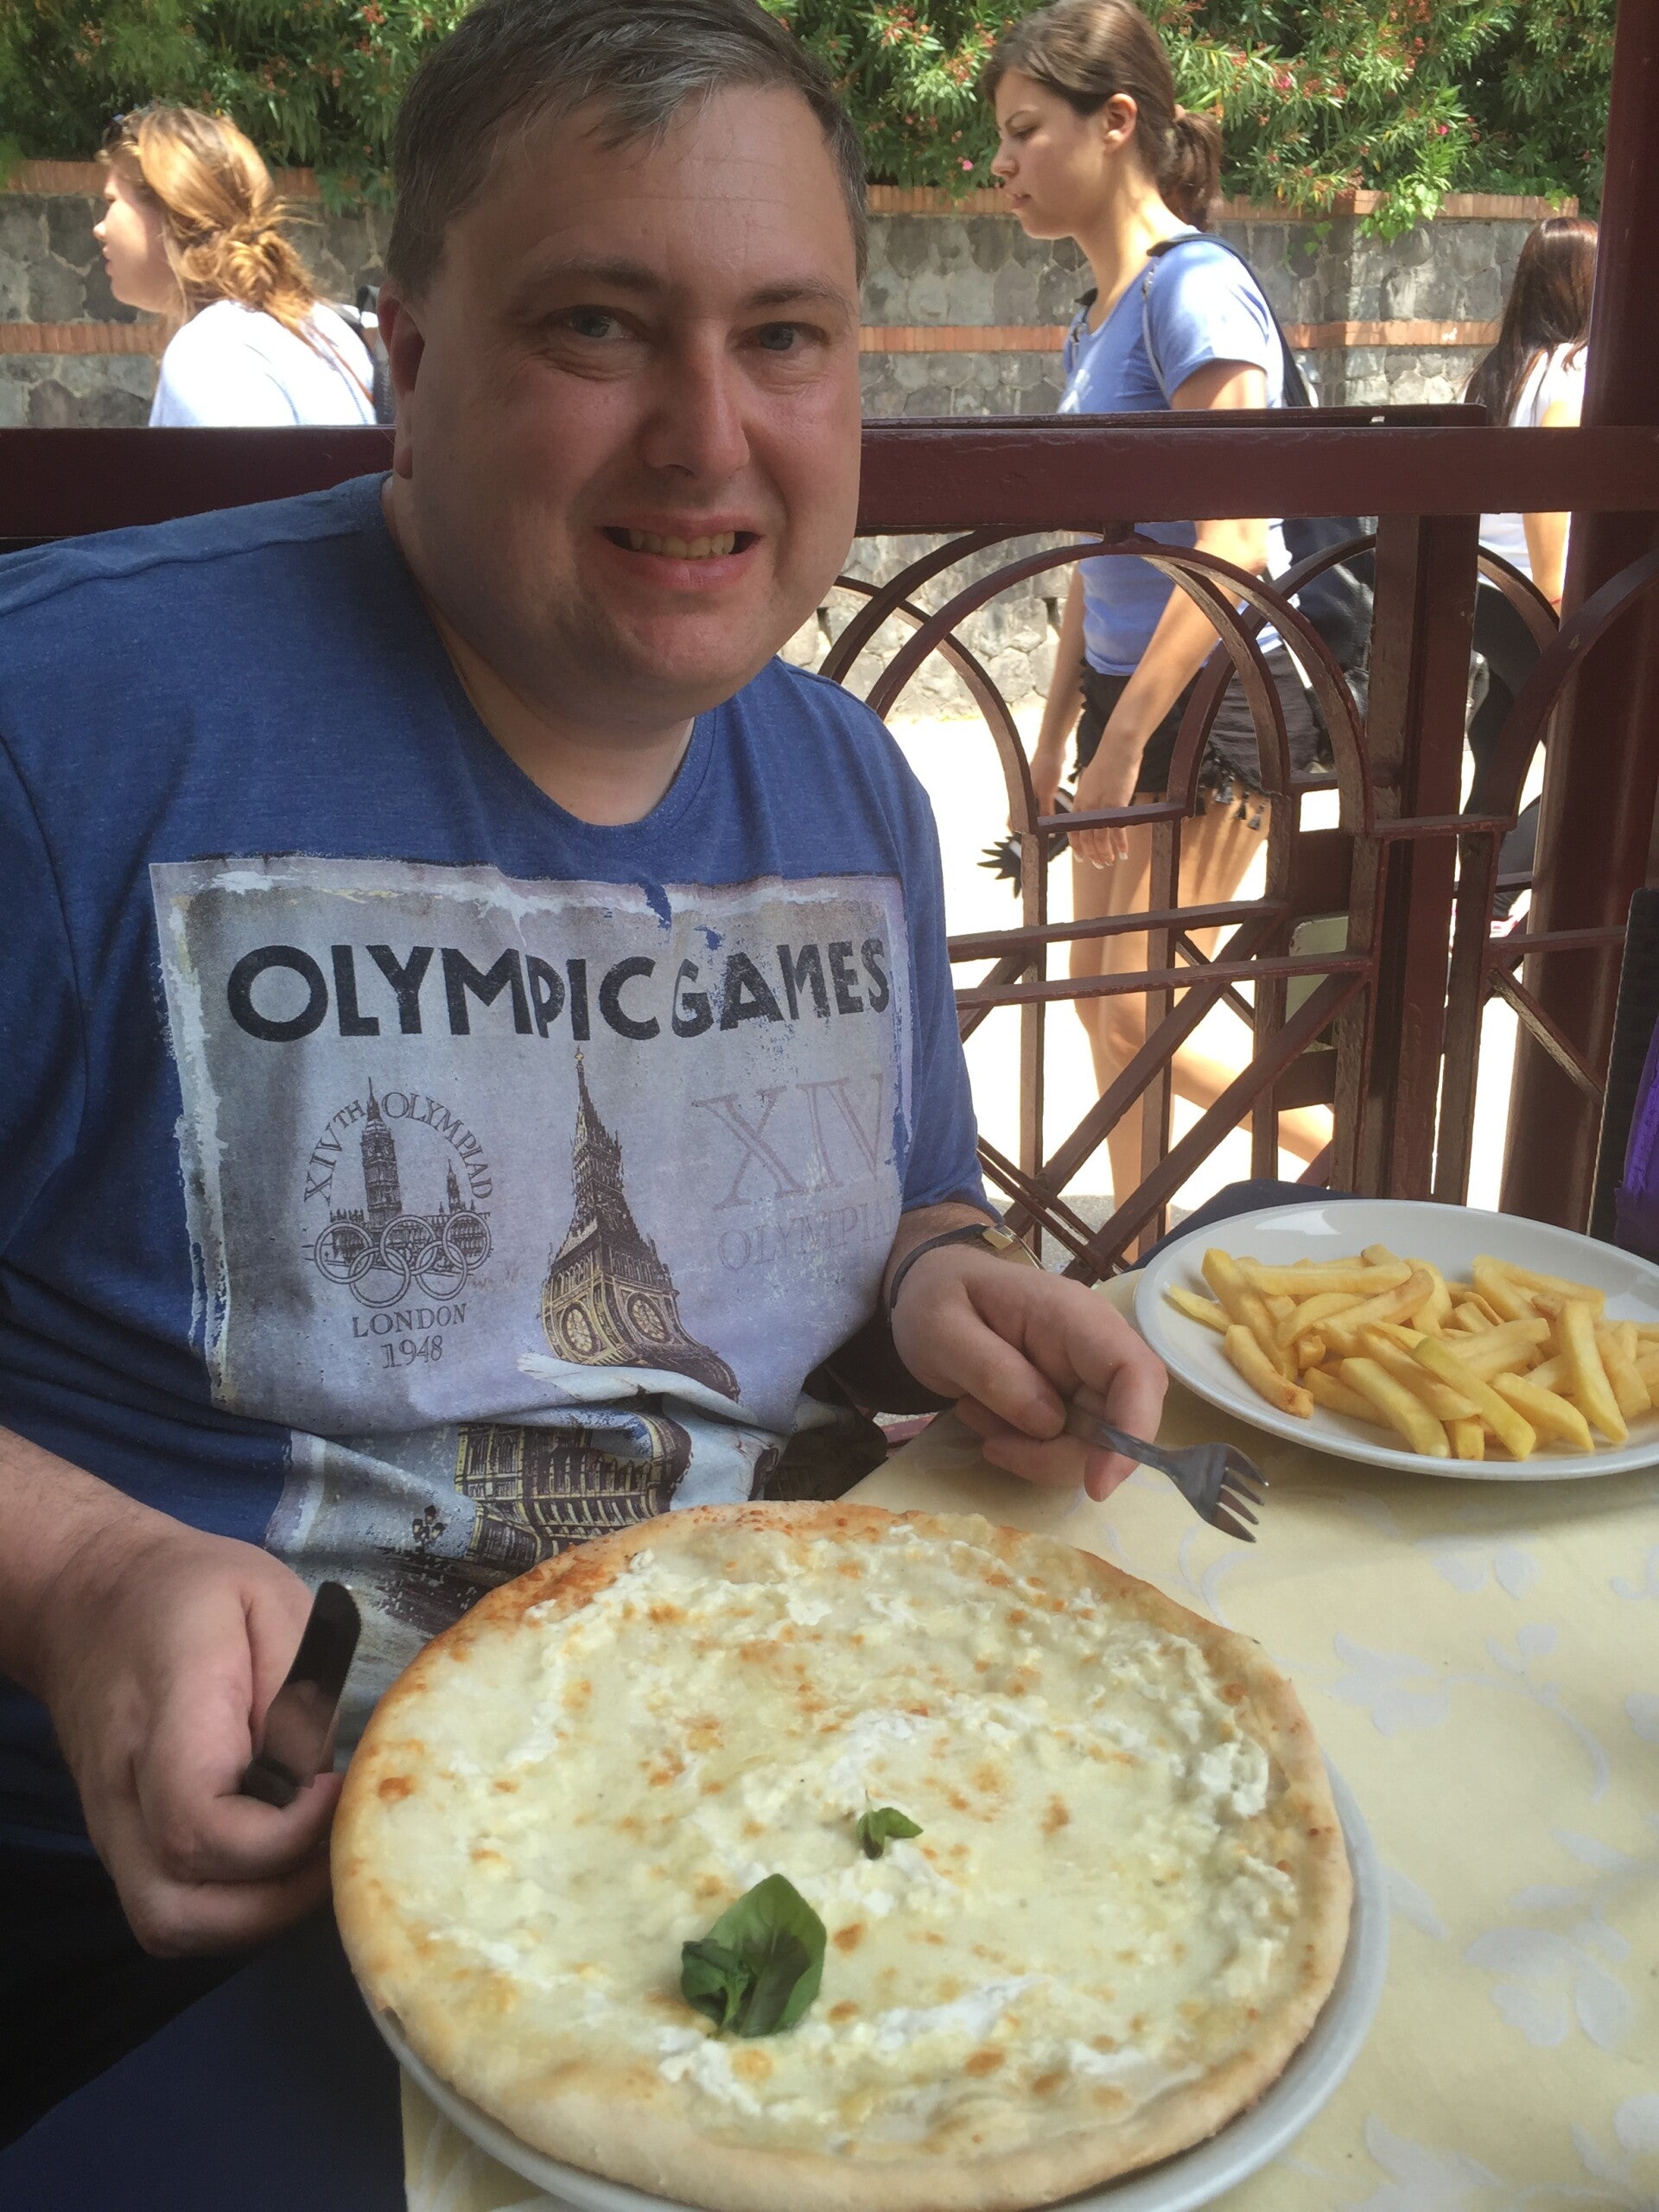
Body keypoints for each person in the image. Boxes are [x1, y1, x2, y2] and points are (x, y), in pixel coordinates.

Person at [0, 0, 1166, 2140]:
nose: (708, 437)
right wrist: (78, 1581)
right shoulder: (60, 726)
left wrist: (939, 1280)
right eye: (600, 327)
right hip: (195, 1942)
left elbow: (903, 1205)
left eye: (784, 336)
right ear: (409, 362)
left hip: (753, 1844)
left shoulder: (849, 783)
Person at [986, 0, 1332, 1215]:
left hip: (1213, 699)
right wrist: (1055, 737)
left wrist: (1124, 743)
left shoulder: (1196, 292)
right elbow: (1102, 558)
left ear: (1117, 121)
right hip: (1126, 702)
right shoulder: (1094, 319)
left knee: (1133, 1005)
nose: (1001, 162)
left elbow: (1233, 546)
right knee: (1104, 1004)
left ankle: (1348, 1142)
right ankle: (1133, 1260)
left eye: (1025, 129)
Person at [1466, 217, 1598, 915]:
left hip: (1486, 590)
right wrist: (1554, 597)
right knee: (1588, 764)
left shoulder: (1501, 371)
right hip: (1533, 594)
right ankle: (1492, 900)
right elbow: (1549, 490)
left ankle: (1465, 885)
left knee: (1500, 734)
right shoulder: (1574, 370)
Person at [93, 105, 377, 428]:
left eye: (112, 201)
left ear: (172, 210)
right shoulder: (327, 328)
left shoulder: (213, 355)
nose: (99, 228)